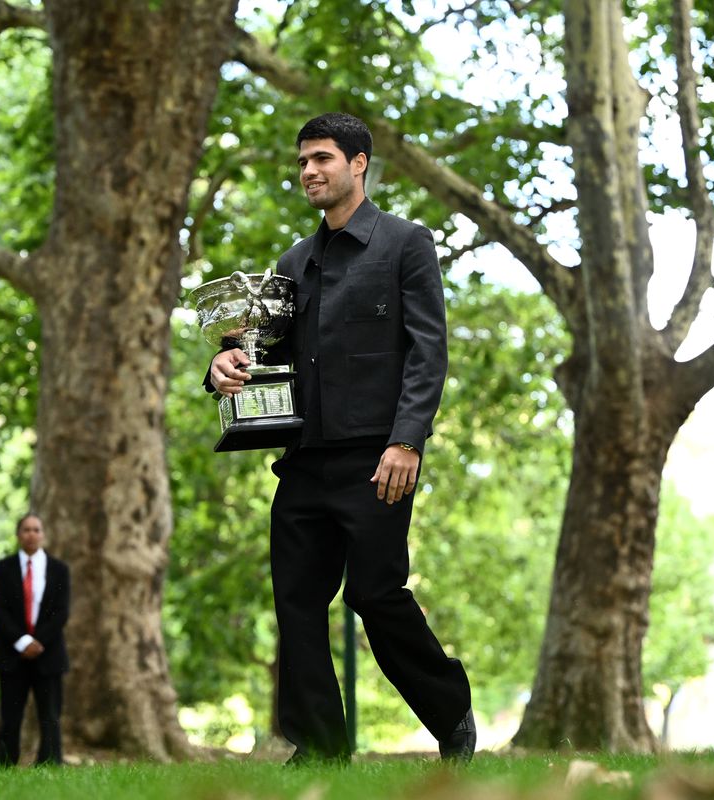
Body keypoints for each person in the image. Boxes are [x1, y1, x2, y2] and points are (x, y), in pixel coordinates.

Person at [206, 112, 475, 763]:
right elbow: (264, 353)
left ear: (358, 164)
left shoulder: (405, 243)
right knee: (297, 603)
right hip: (303, 462)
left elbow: (428, 351)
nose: (309, 171)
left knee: (374, 594)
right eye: (303, 161)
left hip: (378, 458)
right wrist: (224, 366)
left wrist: (407, 440)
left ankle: (451, 712)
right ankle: (322, 747)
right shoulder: (292, 263)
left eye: (322, 158)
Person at [0, 514, 70, 767]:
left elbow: (61, 612)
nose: (31, 534)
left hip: (48, 653)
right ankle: (5, 764)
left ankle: (50, 764)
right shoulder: (4, 568)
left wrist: (38, 641)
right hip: (12, 654)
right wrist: (22, 641)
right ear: (18, 534)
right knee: (10, 716)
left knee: (50, 715)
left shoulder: (59, 570)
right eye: (26, 529)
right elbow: (1, 610)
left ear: (43, 534)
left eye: (36, 529)